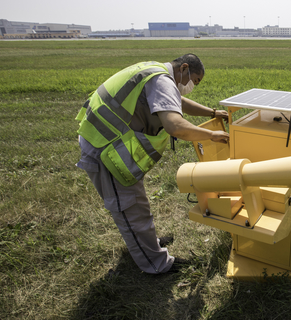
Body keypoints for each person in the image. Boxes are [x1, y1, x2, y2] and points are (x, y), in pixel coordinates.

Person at [75, 54, 229, 274]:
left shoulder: (157, 72)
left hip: (103, 138)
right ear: (184, 68)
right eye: (194, 81)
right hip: (104, 148)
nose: (191, 86)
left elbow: (176, 102)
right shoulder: (162, 80)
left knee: (136, 204)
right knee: (131, 208)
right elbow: (175, 126)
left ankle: (148, 243)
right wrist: (211, 135)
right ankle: (156, 263)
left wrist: (212, 112)